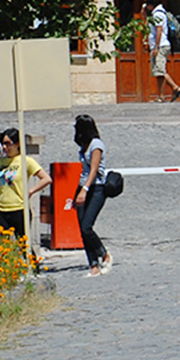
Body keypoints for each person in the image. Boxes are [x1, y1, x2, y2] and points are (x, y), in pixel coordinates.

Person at [0, 128, 51, 240]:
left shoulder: (25, 160)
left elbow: (46, 179)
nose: (5, 147)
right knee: (2, 246)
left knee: (24, 245)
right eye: (3, 144)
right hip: (0, 209)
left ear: (17, 144)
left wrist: (30, 191)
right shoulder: (0, 161)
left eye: (8, 144)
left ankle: (30, 258)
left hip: (19, 209)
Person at [73, 115, 113, 276]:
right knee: (81, 228)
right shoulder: (83, 146)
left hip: (96, 188)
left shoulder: (96, 145)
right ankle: (93, 264)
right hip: (82, 185)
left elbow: (94, 170)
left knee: (87, 226)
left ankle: (104, 254)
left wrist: (85, 190)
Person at [143, 0, 180, 102]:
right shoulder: (156, 13)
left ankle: (175, 87)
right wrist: (144, 14)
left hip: (161, 45)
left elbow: (159, 30)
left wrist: (156, 46)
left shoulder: (158, 14)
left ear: (151, 5)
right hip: (159, 45)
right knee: (158, 72)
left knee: (160, 70)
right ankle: (161, 96)